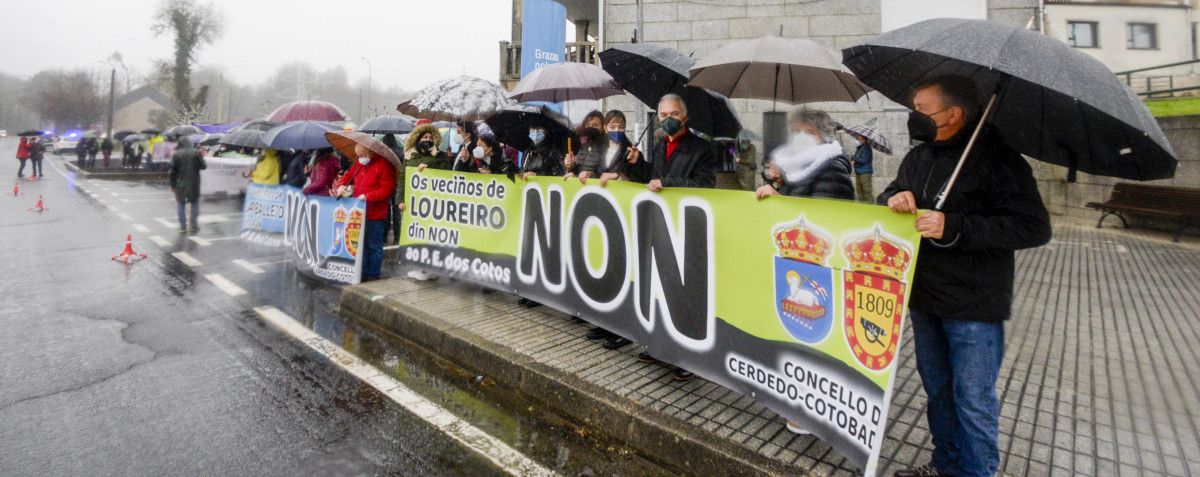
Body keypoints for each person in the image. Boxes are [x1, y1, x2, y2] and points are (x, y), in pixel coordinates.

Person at [882, 76, 1051, 477]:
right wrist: (893, 198)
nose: (914, 118)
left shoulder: (999, 159)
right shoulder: (918, 158)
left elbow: (1032, 227)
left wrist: (955, 226)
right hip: (925, 298)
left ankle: (978, 471)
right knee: (938, 393)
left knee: (972, 399)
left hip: (974, 306)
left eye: (922, 110)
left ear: (954, 114)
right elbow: (891, 192)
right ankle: (946, 464)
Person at [623, 94, 716, 379]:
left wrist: (668, 183)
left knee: (683, 296)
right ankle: (657, 346)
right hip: (661, 226)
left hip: (687, 228)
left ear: (685, 116)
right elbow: (649, 179)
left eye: (673, 113)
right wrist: (637, 164)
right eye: (662, 115)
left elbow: (705, 184)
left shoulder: (701, 148)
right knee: (660, 289)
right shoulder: (659, 144)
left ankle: (687, 359)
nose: (668, 119)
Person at [755, 109, 854, 201]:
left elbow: (823, 215)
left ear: (825, 138)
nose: (801, 137)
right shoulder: (798, 166)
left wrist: (779, 198)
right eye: (797, 131)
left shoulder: (832, 170)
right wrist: (778, 182)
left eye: (810, 132)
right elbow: (793, 196)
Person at [332, 144, 397, 282]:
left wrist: (368, 196)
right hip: (359, 212)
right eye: (358, 156)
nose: (359, 158)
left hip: (375, 213)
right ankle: (364, 271)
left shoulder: (384, 165)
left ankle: (373, 274)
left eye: (362, 155)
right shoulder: (359, 164)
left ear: (370, 152)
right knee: (362, 245)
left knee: (374, 246)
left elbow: (387, 189)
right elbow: (348, 174)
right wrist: (341, 185)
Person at [399, 123, 455, 279]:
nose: (428, 139)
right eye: (425, 137)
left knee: (430, 237)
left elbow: (446, 173)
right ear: (418, 138)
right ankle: (419, 267)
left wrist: (430, 165)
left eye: (430, 137)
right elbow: (403, 179)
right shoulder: (410, 156)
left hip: (432, 204)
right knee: (416, 236)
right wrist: (400, 199)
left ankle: (429, 269)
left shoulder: (440, 155)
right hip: (413, 204)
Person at [564, 110, 634, 185]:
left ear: (603, 128)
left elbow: (633, 175)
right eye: (588, 125)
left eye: (595, 125)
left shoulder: (630, 150)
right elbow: (589, 173)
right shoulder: (583, 146)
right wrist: (570, 168)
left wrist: (617, 176)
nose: (590, 128)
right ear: (606, 128)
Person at [169, 137, 206, 234]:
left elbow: (172, 172)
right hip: (194, 183)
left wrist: (172, 185)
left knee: (181, 204)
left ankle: (182, 227)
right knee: (194, 204)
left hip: (179, 184)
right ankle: (193, 227)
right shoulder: (196, 152)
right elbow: (204, 166)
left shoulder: (176, 154)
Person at [850, 133, 874, 202]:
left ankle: (871, 208)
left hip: (865, 172)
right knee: (859, 191)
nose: (858, 139)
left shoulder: (867, 148)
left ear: (864, 138)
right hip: (858, 172)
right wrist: (854, 158)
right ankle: (863, 208)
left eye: (860, 138)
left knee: (867, 192)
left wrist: (853, 158)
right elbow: (857, 158)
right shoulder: (860, 148)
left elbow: (863, 160)